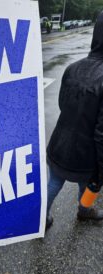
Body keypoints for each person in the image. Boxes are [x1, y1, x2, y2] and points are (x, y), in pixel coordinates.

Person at [46, 12, 103, 229]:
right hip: (85, 151)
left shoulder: (73, 68)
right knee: (88, 183)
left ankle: (42, 219)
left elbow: (62, 104)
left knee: (54, 183)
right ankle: (84, 209)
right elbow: (101, 133)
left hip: (60, 143)